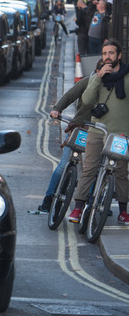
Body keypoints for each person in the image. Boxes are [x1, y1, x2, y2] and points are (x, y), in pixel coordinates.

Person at [68, 40, 129, 224]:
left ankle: (123, 212)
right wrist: (97, 78)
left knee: (120, 172)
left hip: (120, 133)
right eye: (104, 54)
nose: (107, 57)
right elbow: (86, 100)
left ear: (118, 56)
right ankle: (78, 208)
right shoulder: (98, 77)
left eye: (111, 53)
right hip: (97, 130)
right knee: (89, 170)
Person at [38, 64, 99, 212]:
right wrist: (57, 109)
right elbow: (70, 95)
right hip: (79, 127)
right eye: (99, 72)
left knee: (92, 169)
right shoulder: (87, 81)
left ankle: (93, 201)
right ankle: (49, 198)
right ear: (96, 71)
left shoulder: (112, 86)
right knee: (64, 165)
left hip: (98, 132)